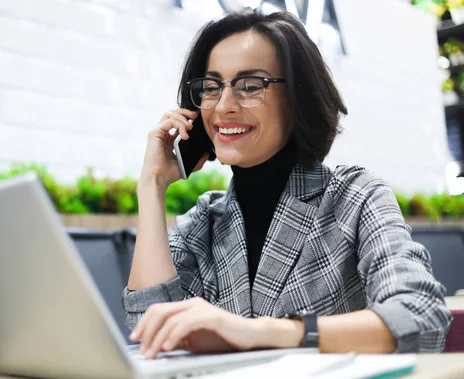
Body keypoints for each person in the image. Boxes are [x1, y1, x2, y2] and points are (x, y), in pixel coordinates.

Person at [122, 10, 452, 359]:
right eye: (211, 86)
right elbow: (149, 334)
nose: (224, 106)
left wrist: (262, 332)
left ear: (297, 99)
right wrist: (152, 184)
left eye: (250, 87)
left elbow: (422, 319)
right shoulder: (203, 223)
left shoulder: (355, 197)